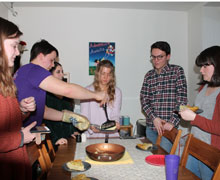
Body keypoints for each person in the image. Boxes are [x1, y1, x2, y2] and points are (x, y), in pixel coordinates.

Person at [14, 39, 107, 130]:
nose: (53, 64)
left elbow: (44, 111)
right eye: (51, 60)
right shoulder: (34, 70)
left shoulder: (26, 71)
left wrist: (70, 117)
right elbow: (67, 90)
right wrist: (96, 95)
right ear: (41, 56)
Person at [0, 17, 37, 180]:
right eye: (14, 46)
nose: (17, 52)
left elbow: (7, 121)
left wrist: (21, 110)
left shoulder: (5, 80)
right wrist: (21, 137)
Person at [179, 46, 220, 180]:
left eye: (205, 66)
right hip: (194, 146)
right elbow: (203, 112)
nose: (201, 70)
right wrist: (190, 110)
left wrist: (194, 118)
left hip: (210, 152)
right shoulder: (205, 86)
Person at [140, 41, 187, 153]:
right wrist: (154, 118)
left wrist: (172, 122)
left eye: (160, 57)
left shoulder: (177, 71)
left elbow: (182, 99)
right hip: (151, 127)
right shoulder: (149, 75)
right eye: (153, 57)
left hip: (168, 129)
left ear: (168, 56)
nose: (156, 60)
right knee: (149, 158)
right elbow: (144, 99)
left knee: (162, 161)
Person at [43, 62, 80, 151]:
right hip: (52, 144)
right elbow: (44, 123)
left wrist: (72, 131)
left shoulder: (67, 96)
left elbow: (70, 118)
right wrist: (55, 139)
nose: (62, 75)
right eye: (58, 72)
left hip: (67, 141)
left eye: (62, 72)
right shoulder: (44, 96)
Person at [80, 60, 122, 138]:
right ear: (97, 73)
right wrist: (90, 127)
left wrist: (115, 123)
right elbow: (84, 117)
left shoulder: (117, 92)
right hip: (92, 136)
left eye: (109, 74)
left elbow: (115, 115)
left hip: (111, 136)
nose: (105, 77)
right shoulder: (87, 91)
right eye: (103, 73)